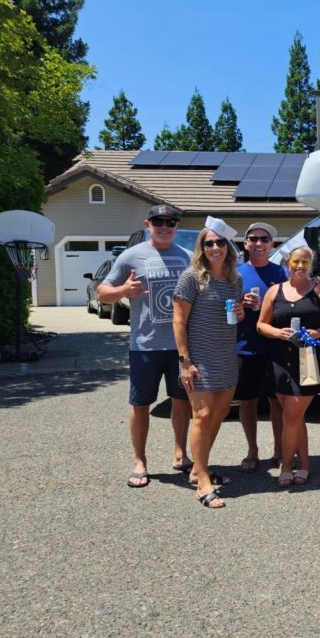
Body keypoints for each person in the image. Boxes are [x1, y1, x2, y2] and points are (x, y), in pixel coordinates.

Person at [97, 204, 192, 488]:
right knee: (140, 404)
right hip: (145, 345)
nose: (165, 226)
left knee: (182, 402)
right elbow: (102, 294)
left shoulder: (187, 257)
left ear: (176, 226)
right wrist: (124, 291)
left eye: (170, 222)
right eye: (158, 221)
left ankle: (180, 454)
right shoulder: (131, 256)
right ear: (147, 223)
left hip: (179, 346)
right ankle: (140, 461)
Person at [172, 217, 245, 509]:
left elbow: (234, 318)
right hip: (199, 357)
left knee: (220, 412)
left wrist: (240, 313)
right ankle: (202, 482)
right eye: (209, 243)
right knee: (201, 415)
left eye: (220, 242)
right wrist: (184, 361)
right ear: (202, 248)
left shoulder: (234, 280)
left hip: (226, 355)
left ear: (228, 247)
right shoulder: (191, 277)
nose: (215, 247)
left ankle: (198, 468)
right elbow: (178, 320)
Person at [257, 245, 320, 488]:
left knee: (291, 415)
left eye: (305, 262)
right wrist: (278, 332)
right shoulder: (275, 290)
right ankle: (304, 465)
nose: (299, 266)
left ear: (311, 265)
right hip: (280, 360)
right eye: (295, 261)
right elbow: (261, 325)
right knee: (295, 418)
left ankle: (286, 466)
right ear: (288, 263)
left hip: (308, 361)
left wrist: (319, 331)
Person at [234, 221, 287, 473]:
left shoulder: (281, 274)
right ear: (245, 244)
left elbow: (290, 307)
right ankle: (252, 451)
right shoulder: (234, 274)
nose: (258, 243)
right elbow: (226, 315)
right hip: (246, 346)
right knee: (247, 401)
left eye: (264, 240)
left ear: (272, 245)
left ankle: (279, 450)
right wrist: (239, 305)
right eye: (253, 239)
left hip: (275, 346)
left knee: (277, 401)